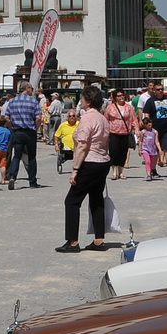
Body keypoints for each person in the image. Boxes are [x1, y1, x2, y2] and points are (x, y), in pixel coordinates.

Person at [59, 86, 111, 253]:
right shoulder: (102, 118)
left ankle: (72, 241)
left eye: (82, 99)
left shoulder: (87, 119)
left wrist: (75, 169)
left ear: (88, 101)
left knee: (72, 200)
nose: (80, 102)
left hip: (89, 162)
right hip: (102, 161)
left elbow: (82, 145)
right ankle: (99, 239)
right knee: (96, 200)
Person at [2, 82, 41, 189]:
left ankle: (12, 176)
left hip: (17, 131)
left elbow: (6, 117)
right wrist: (36, 129)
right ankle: (32, 181)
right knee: (31, 157)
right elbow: (38, 118)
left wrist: (12, 125)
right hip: (29, 131)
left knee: (17, 155)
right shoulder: (33, 101)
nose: (32, 91)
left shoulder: (12, 101)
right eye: (32, 89)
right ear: (27, 89)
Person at [144, 82, 167, 179]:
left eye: (162, 89)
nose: (160, 91)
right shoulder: (150, 101)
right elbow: (147, 114)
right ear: (154, 91)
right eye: (158, 89)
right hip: (155, 130)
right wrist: (147, 127)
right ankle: (153, 170)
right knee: (154, 151)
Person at [101, 89, 136, 181]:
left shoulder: (129, 107)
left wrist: (137, 129)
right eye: (119, 96)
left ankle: (121, 172)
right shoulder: (110, 107)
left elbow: (134, 119)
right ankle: (114, 172)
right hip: (113, 132)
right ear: (115, 97)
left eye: (122, 95)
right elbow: (105, 119)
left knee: (123, 152)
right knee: (114, 151)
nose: (121, 97)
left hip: (125, 132)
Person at [55, 109, 79, 173]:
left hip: (78, 146)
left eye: (73, 116)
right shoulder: (63, 125)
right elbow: (56, 136)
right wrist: (56, 144)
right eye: (70, 116)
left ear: (76, 117)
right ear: (67, 117)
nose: (72, 117)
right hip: (66, 147)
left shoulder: (79, 124)